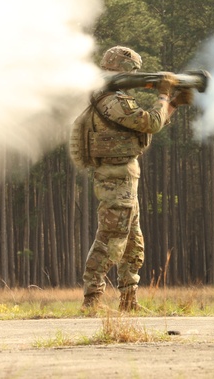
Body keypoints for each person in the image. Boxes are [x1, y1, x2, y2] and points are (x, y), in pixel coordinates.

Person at [79, 45, 193, 313]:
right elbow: (151, 123)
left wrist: (173, 104)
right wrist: (165, 94)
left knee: (132, 242)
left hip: (124, 174)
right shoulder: (111, 100)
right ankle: (91, 300)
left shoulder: (110, 99)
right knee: (111, 238)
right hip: (114, 176)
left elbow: (144, 125)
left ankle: (129, 301)